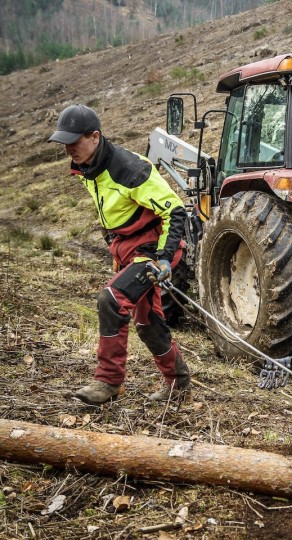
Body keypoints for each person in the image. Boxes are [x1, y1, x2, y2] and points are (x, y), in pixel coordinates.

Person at [48, 104, 190, 405]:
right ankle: (179, 381)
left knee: (111, 300)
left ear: (95, 136)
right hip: (129, 249)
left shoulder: (129, 168)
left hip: (153, 249)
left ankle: (108, 382)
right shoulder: (89, 166)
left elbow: (176, 209)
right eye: (64, 143)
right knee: (147, 320)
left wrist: (163, 258)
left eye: (74, 142)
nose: (68, 149)